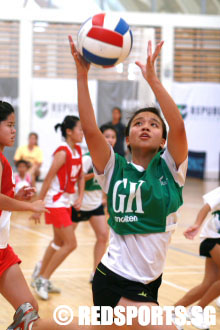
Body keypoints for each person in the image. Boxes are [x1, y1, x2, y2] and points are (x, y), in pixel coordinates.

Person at [68, 36, 188, 329]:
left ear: (163, 141)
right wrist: (82, 75)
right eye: (138, 123)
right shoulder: (114, 168)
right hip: (116, 278)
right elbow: (90, 128)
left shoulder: (171, 169)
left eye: (153, 123)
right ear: (129, 136)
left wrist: (153, 80)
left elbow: (179, 125)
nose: (145, 125)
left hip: (149, 280)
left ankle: (30, 325)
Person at [0, 101, 48, 330]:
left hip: (2, 250)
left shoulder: (3, 160)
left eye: (14, 125)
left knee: (28, 309)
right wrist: (29, 207)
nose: (14, 130)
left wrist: (17, 197)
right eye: (9, 125)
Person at [31, 115, 85, 301]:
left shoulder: (78, 150)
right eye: (80, 129)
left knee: (58, 242)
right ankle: (43, 279)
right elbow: (47, 179)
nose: (82, 133)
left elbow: (80, 177)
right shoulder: (62, 152)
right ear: (69, 131)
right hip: (55, 202)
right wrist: (38, 204)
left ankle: (39, 274)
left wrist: (80, 197)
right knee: (71, 244)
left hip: (67, 201)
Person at [71, 123, 117, 283]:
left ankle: (96, 273)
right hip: (78, 203)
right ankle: (41, 270)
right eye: (107, 136)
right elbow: (79, 177)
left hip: (95, 203)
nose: (110, 140)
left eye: (113, 137)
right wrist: (97, 173)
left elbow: (108, 182)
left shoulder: (111, 159)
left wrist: (106, 199)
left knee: (103, 236)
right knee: (64, 241)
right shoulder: (88, 158)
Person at [172, 186, 220, 330]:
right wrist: (197, 224)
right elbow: (206, 207)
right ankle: (197, 310)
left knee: (208, 283)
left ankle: (172, 312)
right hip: (213, 238)